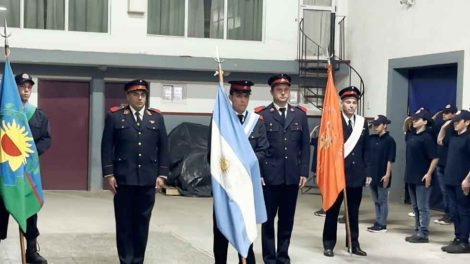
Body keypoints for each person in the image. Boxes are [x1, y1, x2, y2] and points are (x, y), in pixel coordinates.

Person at [101, 79, 169, 264]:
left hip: (148, 180)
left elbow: (163, 148)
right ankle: (125, 260)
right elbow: (107, 147)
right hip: (123, 180)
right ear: (127, 96)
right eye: (135, 94)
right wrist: (109, 174)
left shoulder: (156, 118)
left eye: (143, 94)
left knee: (142, 224)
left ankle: (138, 260)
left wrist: (162, 175)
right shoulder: (115, 117)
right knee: (124, 224)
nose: (140, 97)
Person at [209, 80, 269, 264]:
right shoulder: (220, 122)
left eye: (246, 96)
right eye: (238, 96)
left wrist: (243, 165)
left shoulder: (256, 121)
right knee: (222, 229)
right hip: (225, 185)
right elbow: (212, 153)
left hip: (246, 186)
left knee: (245, 227)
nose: (242, 100)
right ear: (230, 98)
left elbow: (263, 150)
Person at [255, 74, 310, 264]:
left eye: (286, 89)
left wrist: (304, 171)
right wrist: (260, 173)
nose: (283, 92)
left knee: (287, 220)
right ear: (272, 92)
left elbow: (304, 146)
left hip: (292, 177)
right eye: (279, 89)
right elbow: (259, 148)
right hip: (270, 177)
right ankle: (269, 258)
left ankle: (283, 257)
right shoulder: (262, 115)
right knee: (268, 220)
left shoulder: (300, 114)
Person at [0, 73, 51, 264]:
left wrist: (29, 154)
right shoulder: (3, 114)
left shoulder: (38, 114)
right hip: (5, 173)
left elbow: (46, 139)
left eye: (29, 86)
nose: (27, 89)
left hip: (28, 175)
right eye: (22, 86)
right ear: (14, 89)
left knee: (29, 212)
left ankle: (31, 251)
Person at [322, 86, 369, 257]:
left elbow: (366, 150)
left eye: (354, 102)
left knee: (353, 212)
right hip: (337, 174)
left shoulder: (362, 123)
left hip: (356, 175)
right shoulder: (333, 121)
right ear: (341, 103)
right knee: (332, 212)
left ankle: (353, 243)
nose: (351, 105)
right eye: (348, 102)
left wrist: (367, 172)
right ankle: (328, 244)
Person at [404, 108, 438, 243]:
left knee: (423, 206)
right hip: (411, 175)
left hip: (422, 176)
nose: (414, 121)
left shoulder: (427, 138)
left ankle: (423, 233)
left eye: (417, 119)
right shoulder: (412, 135)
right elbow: (405, 125)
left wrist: (429, 174)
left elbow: (434, 158)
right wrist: (410, 118)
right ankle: (417, 229)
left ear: (424, 122)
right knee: (415, 206)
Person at [441, 110, 470, 253]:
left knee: (463, 211)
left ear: (467, 122)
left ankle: (464, 241)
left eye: (458, 122)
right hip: (450, 179)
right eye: (454, 121)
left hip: (462, 181)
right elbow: (440, 140)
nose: (455, 124)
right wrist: (445, 125)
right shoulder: (453, 138)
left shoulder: (468, 138)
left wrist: (467, 179)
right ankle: (458, 238)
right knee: (454, 211)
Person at [367, 115, 396, 233]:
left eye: (378, 125)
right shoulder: (372, 138)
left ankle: (382, 223)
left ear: (385, 125)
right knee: (376, 199)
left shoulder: (389, 140)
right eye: (374, 125)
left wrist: (387, 174)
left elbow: (390, 159)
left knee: (382, 199)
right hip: (372, 173)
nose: (375, 127)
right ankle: (378, 220)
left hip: (383, 173)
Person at [434, 104, 458, 225]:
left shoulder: (454, 129)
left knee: (450, 193)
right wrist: (443, 127)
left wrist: (445, 128)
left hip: (450, 165)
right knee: (445, 192)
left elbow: (442, 142)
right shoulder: (443, 125)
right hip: (441, 163)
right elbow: (439, 141)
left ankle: (452, 215)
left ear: (454, 114)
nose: (444, 114)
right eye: (443, 112)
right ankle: (447, 213)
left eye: (447, 112)